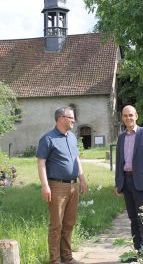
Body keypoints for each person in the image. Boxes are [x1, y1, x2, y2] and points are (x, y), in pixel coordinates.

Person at [36, 106, 88, 264]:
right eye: (71, 118)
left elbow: (76, 159)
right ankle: (55, 260)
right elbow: (41, 163)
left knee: (69, 223)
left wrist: (82, 178)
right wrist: (45, 185)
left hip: (73, 186)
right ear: (61, 118)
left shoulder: (72, 137)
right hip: (56, 187)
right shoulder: (48, 139)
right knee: (56, 225)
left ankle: (67, 256)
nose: (74, 121)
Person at [115, 105, 143, 261]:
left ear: (136, 116)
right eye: (125, 115)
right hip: (126, 182)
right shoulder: (121, 137)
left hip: (141, 182)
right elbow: (119, 161)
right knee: (133, 218)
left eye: (131, 115)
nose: (128, 118)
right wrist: (118, 183)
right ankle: (138, 252)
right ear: (122, 117)